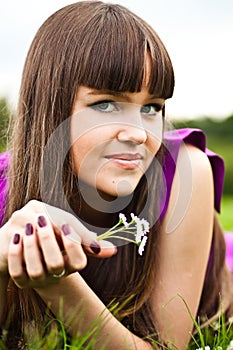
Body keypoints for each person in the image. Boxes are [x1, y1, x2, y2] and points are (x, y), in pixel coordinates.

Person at [0, 1, 232, 349]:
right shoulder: (6, 189)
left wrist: (56, 283)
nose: (139, 134)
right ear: (51, 105)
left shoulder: (184, 171)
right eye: (106, 104)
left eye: (152, 108)